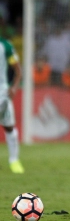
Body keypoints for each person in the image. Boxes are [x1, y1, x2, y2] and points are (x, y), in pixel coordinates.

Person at [0, 37, 24, 173]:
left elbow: (17, 69)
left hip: (2, 92)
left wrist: (14, 87)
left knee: (9, 128)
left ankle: (14, 160)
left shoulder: (5, 46)